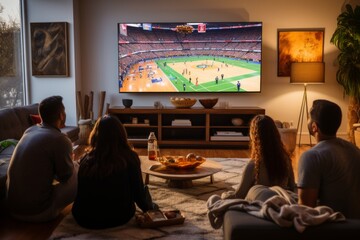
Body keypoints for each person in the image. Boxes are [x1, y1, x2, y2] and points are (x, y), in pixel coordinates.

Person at [72, 115, 157, 229]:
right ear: (121, 134)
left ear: (96, 134)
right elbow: (138, 195)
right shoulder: (130, 158)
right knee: (144, 189)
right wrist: (151, 209)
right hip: (117, 218)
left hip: (83, 218)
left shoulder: (85, 159)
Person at [6, 95, 78, 222]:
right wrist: (71, 161)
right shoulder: (60, 139)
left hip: (12, 210)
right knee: (78, 168)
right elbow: (65, 176)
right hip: (38, 213)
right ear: (61, 115)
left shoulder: (29, 130)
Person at [297, 99, 360, 218]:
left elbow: (305, 210)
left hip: (331, 228)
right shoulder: (355, 150)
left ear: (314, 127)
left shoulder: (312, 156)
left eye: (309, 118)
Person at [221, 114, 295, 200]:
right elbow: (292, 186)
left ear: (254, 136)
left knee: (214, 199)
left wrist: (224, 195)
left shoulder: (254, 165)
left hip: (259, 206)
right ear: (275, 133)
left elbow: (239, 195)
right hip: (281, 202)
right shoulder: (285, 159)